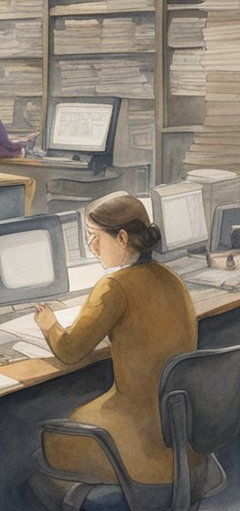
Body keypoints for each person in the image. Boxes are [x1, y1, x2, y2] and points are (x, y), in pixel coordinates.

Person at [33, 192, 198, 486]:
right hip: (180, 437)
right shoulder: (171, 278)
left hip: (135, 440)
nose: (92, 246)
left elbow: (70, 350)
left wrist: (49, 325)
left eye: (94, 237)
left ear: (122, 238)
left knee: (48, 443)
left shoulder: (114, 286)